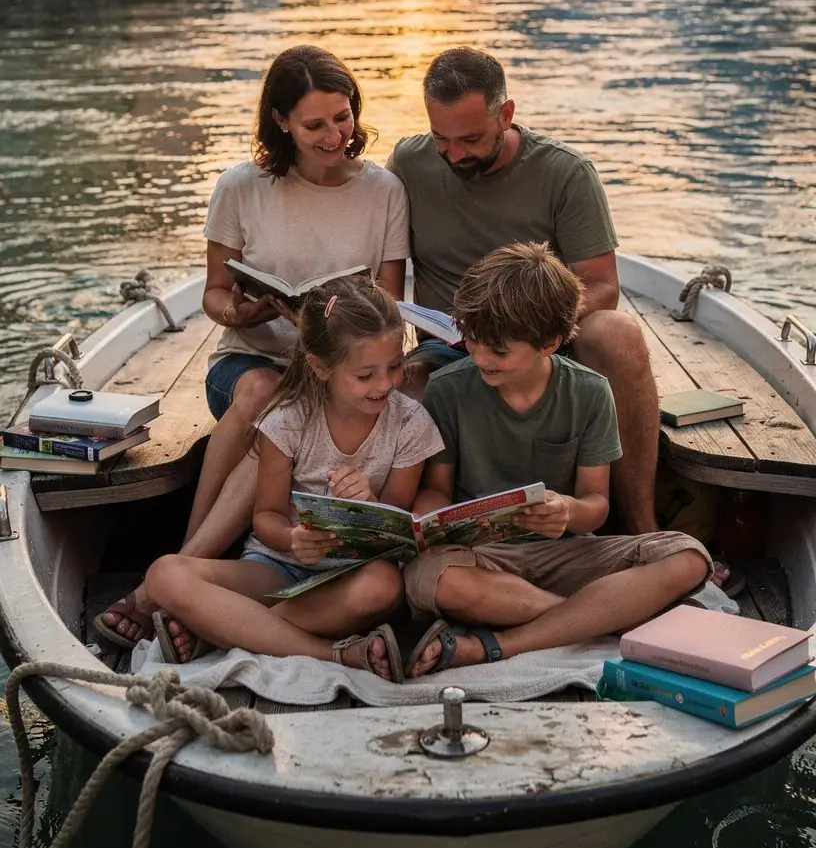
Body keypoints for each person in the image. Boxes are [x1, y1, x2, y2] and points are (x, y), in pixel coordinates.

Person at [96, 46, 410, 649]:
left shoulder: (384, 191)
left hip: (338, 366)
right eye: (315, 124)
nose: (333, 136)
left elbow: (389, 306)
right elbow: (215, 295)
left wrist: (331, 320)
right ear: (281, 121)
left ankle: (178, 585)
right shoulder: (240, 187)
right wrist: (242, 310)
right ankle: (183, 566)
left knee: (310, 401)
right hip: (254, 358)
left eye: (342, 118)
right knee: (268, 396)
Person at [404, 243, 712, 677]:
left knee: (689, 556)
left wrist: (568, 511)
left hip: (566, 555)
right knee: (428, 578)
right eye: (471, 339)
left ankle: (503, 643)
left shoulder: (589, 392)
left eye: (498, 350)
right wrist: (420, 521)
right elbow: (438, 487)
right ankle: (598, 618)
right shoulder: (448, 389)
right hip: (483, 560)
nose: (478, 356)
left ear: (549, 343)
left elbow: (595, 507)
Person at [389, 46, 659, 534]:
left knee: (619, 335)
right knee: (405, 386)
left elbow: (602, 285)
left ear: (506, 113)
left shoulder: (565, 173)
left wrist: (527, 321)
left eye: (470, 138)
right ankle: (413, 534)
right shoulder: (408, 163)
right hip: (448, 345)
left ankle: (641, 524)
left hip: (544, 336)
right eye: (440, 139)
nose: (454, 154)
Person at [145, 278, 443, 677]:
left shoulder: (409, 422)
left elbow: (397, 526)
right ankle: (332, 654)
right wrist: (292, 539)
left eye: (394, 366)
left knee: (384, 586)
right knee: (164, 574)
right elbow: (266, 516)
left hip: (352, 578)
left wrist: (370, 505)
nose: (385, 384)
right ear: (321, 366)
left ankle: (227, 629)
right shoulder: (286, 421)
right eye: (366, 374)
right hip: (278, 568)